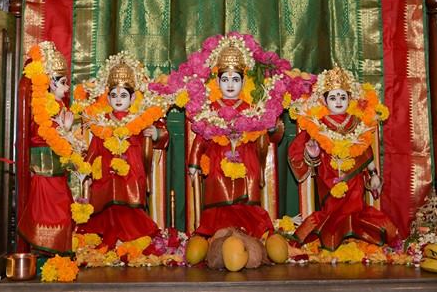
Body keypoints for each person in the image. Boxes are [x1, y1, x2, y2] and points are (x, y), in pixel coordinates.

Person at [288, 67, 397, 250]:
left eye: (342, 97)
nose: (338, 101)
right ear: (324, 101)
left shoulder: (356, 122)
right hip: (328, 178)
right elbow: (310, 158)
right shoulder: (317, 124)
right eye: (333, 97)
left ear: (350, 98)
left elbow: (365, 149)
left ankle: (355, 235)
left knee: (356, 210)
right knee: (331, 213)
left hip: (354, 177)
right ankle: (332, 235)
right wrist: (313, 155)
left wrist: (373, 175)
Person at [187, 41, 281, 239]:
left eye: (235, 79)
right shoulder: (210, 108)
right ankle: (218, 233)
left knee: (250, 181)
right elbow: (201, 137)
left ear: (243, 82)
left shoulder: (252, 108)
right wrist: (194, 162)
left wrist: (271, 127)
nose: (230, 85)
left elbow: (267, 135)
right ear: (217, 82)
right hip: (217, 159)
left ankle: (248, 232)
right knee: (217, 181)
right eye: (225, 79)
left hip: (246, 159)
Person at [78, 52, 169, 248]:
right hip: (106, 173)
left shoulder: (139, 119)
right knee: (106, 203)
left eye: (123, 95)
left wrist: (155, 134)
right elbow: (94, 148)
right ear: (107, 97)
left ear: (133, 97)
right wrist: (85, 168)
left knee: (129, 205)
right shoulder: (102, 121)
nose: (118, 99)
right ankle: (110, 236)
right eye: (114, 95)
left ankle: (129, 237)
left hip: (131, 173)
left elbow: (162, 136)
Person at [17, 41, 77, 254]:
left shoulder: (60, 105)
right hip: (45, 170)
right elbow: (40, 134)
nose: (67, 88)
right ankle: (48, 251)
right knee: (52, 213)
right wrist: (64, 130)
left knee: (65, 208)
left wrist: (68, 134)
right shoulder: (42, 105)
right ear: (50, 82)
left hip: (57, 170)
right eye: (63, 83)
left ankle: (57, 252)